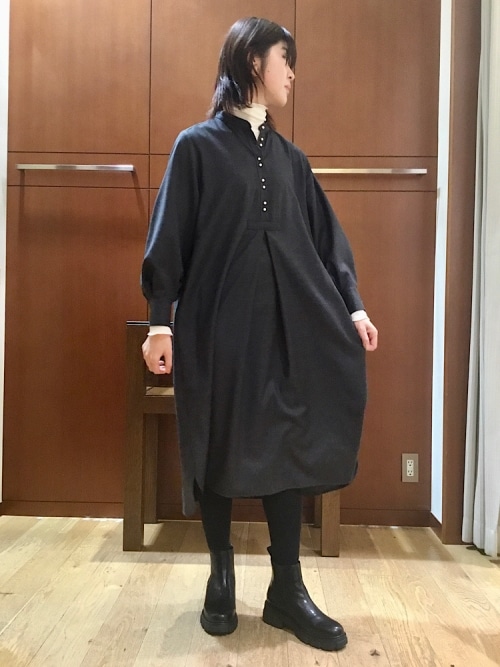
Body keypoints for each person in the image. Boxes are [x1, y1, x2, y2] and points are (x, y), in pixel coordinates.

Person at [141, 16, 378, 652]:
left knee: (288, 440)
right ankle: (220, 576)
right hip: (215, 329)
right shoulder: (196, 147)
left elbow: (327, 240)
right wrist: (160, 321)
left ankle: (286, 590)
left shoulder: (292, 161)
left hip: (287, 330)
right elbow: (169, 238)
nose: (292, 74)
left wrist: (353, 308)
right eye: (285, 60)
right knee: (218, 441)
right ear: (253, 63)